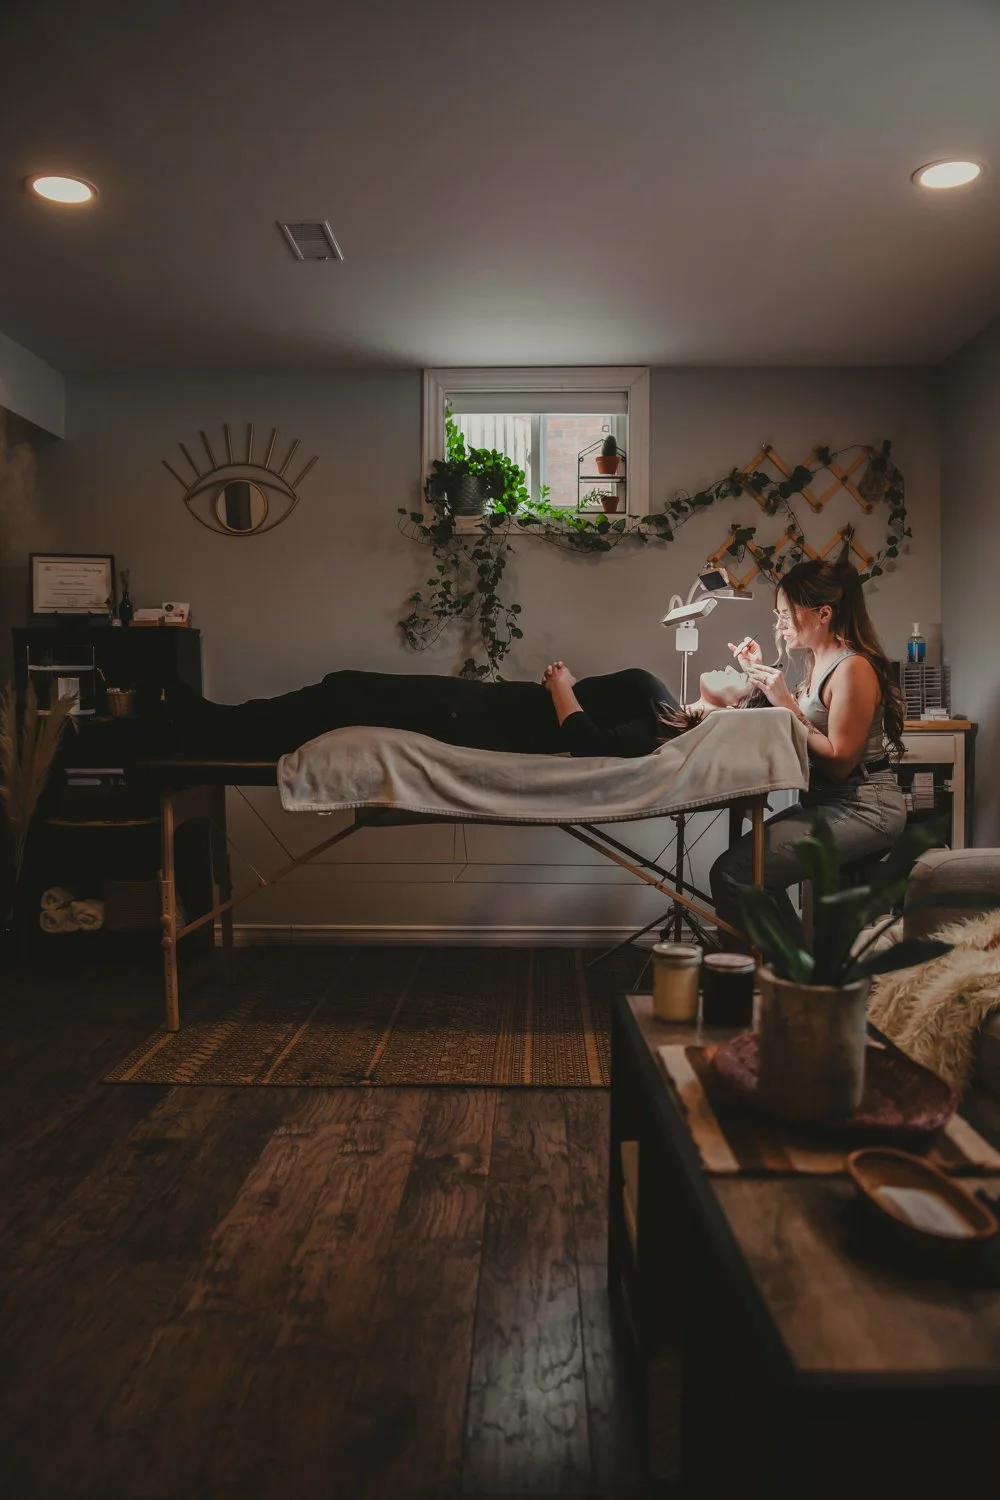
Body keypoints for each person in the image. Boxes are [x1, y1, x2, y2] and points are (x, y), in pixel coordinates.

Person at [709, 554, 907, 935]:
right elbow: (804, 727)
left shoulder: (853, 668)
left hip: (866, 808)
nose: (780, 624)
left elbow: (838, 762)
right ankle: (793, 974)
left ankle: (794, 982)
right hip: (831, 802)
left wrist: (785, 702)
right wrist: (758, 675)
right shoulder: (820, 660)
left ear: (824, 613)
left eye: (787, 614)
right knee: (739, 871)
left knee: (736, 874)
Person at [168, 663, 688, 760]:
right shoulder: (661, 706)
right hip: (482, 706)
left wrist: (561, 686)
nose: (738, 658)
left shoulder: (658, 726)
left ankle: (215, 728)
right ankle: (219, 724)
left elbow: (587, 743)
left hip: (480, 722)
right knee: (340, 691)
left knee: (343, 692)